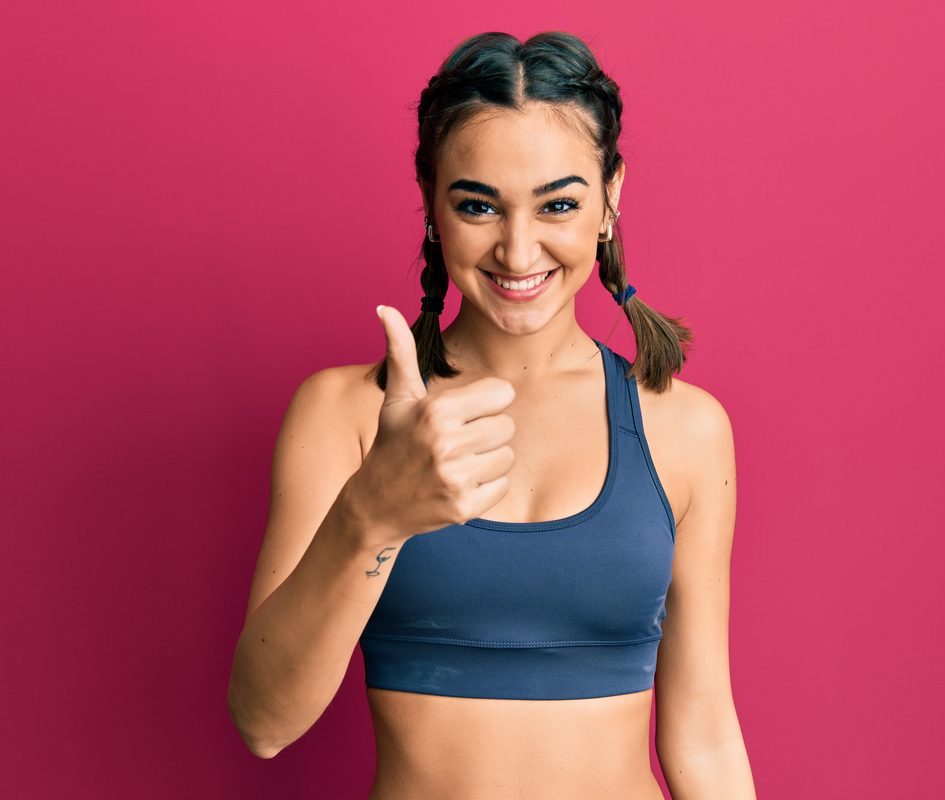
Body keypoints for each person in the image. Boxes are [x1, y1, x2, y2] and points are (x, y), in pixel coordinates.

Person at [227, 30, 756, 799]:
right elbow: (262, 720)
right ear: (431, 201)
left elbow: (704, 736)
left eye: (558, 205)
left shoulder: (687, 430)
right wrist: (371, 514)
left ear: (611, 198)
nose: (517, 250)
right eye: (478, 204)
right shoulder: (344, 414)